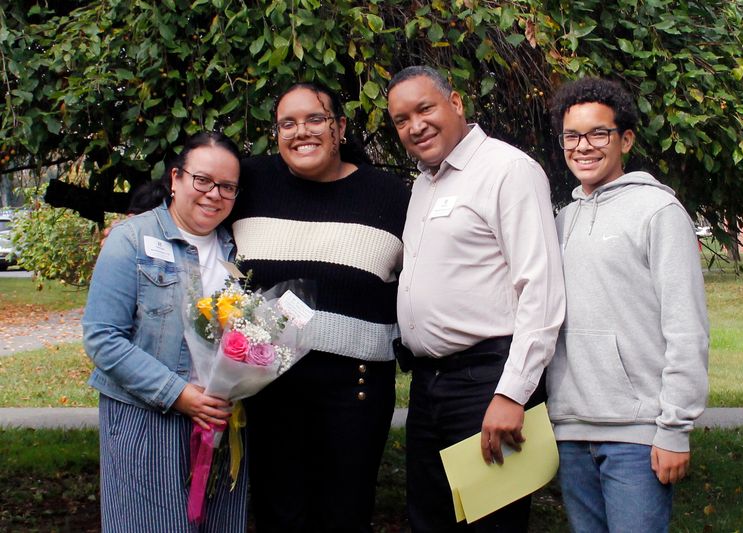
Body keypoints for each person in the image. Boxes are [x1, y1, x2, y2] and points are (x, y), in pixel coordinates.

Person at [387, 65, 566, 532]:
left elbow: (540, 290)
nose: (415, 125)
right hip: (429, 387)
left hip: (487, 382)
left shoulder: (508, 170)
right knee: (431, 520)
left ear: (457, 102)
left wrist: (512, 393)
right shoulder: (425, 183)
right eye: (401, 119)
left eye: (425, 108)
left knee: (491, 524)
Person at [229, 82, 410, 532]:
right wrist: (136, 225)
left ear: (340, 127)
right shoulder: (250, 182)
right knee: (278, 514)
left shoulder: (390, 197)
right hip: (267, 388)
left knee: (344, 516)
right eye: (287, 123)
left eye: (315, 119)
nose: (300, 132)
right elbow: (184, 196)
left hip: (356, 392)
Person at [546, 77, 709, 533]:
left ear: (626, 139)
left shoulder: (658, 212)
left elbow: (686, 326)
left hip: (637, 435)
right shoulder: (560, 221)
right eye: (572, 136)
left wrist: (675, 428)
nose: (584, 147)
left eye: (599, 133)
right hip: (572, 430)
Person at [82, 132, 247, 532]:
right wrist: (178, 394)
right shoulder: (130, 239)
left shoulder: (236, 250)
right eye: (202, 180)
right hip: (147, 421)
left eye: (227, 187)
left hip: (220, 425)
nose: (213, 195)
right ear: (175, 179)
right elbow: (103, 337)